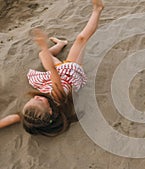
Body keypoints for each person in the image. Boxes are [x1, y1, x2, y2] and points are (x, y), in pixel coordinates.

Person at [0, 0, 104, 136]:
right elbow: (52, 71)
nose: (36, 98)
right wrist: (43, 45)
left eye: (33, 100)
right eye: (39, 101)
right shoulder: (58, 96)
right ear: (50, 111)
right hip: (69, 73)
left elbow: (13, 118)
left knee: (44, 55)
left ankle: (61, 44)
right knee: (81, 39)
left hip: (57, 74)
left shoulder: (33, 117)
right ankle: (98, 9)